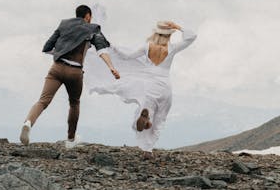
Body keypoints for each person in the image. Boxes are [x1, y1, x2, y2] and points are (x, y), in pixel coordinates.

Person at [84, 20, 197, 152]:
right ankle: (148, 148)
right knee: (160, 118)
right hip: (165, 86)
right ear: (169, 35)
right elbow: (192, 36)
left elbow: (127, 57)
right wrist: (178, 27)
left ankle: (145, 123)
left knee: (146, 110)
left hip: (149, 86)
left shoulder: (148, 47)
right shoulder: (172, 48)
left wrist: (113, 47)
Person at [20, 5, 120, 147]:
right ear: (87, 16)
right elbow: (101, 49)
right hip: (75, 72)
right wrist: (111, 67)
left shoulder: (64, 24)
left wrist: (60, 54)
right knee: (74, 103)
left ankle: (28, 123)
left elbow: (47, 47)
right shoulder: (92, 28)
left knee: (43, 101)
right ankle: (71, 140)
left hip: (56, 68)